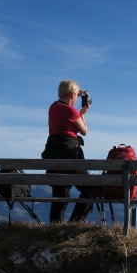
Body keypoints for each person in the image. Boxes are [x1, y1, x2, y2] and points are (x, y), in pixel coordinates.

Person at [41, 80, 93, 223]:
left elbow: (67, 95)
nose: (77, 98)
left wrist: (79, 92)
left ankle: (55, 226)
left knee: (60, 192)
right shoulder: (71, 111)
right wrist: (82, 114)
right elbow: (84, 131)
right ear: (71, 94)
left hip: (53, 152)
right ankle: (74, 223)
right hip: (70, 153)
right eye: (76, 95)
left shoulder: (53, 107)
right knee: (90, 190)